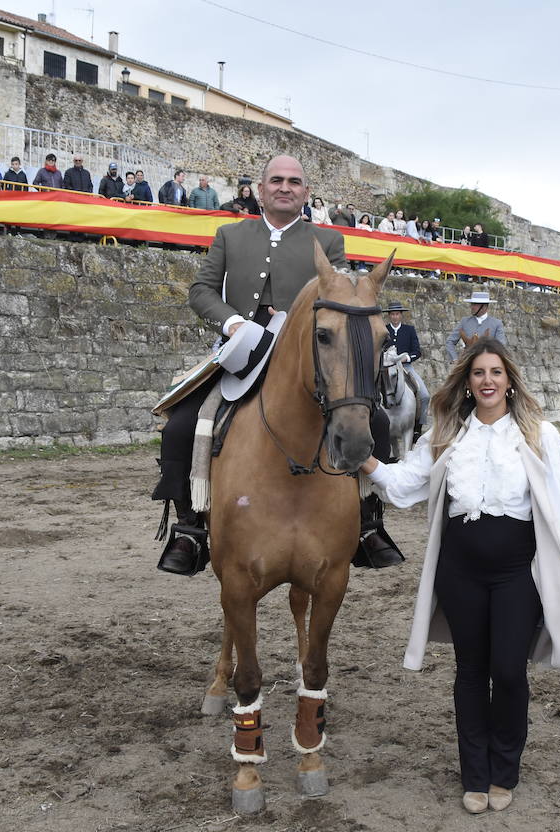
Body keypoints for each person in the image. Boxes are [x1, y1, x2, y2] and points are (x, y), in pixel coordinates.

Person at [359, 338, 560, 814]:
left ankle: (505, 769)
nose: (487, 380)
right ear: (467, 382)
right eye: (479, 373)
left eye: (496, 372)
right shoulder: (447, 434)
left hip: (515, 573)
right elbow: (405, 484)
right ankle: (476, 774)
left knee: (508, 671)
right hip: (460, 572)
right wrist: (364, 461)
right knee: (471, 671)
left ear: (509, 382)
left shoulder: (539, 435)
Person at [152, 153, 403, 576]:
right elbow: (201, 290)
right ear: (261, 189)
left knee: (374, 422)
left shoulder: (327, 241)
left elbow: (341, 295)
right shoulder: (230, 235)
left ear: (305, 193)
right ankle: (190, 528)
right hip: (242, 348)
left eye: (294, 182)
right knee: (181, 425)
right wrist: (232, 322)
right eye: (276, 180)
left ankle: (367, 523)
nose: (284, 187)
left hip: (303, 355)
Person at [384, 303, 431, 438]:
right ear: (389, 316)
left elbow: (417, 351)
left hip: (406, 367)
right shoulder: (384, 330)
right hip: (387, 369)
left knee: (424, 395)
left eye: (397, 314)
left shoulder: (409, 330)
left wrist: (407, 358)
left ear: (401, 315)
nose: (395, 317)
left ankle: (418, 426)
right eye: (392, 314)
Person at [446, 291, 507, 362]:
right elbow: (450, 341)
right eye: (472, 304)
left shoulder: (497, 324)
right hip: (467, 364)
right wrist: (455, 359)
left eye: (475, 304)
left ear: (484, 306)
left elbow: (501, 346)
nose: (472, 307)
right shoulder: (464, 321)